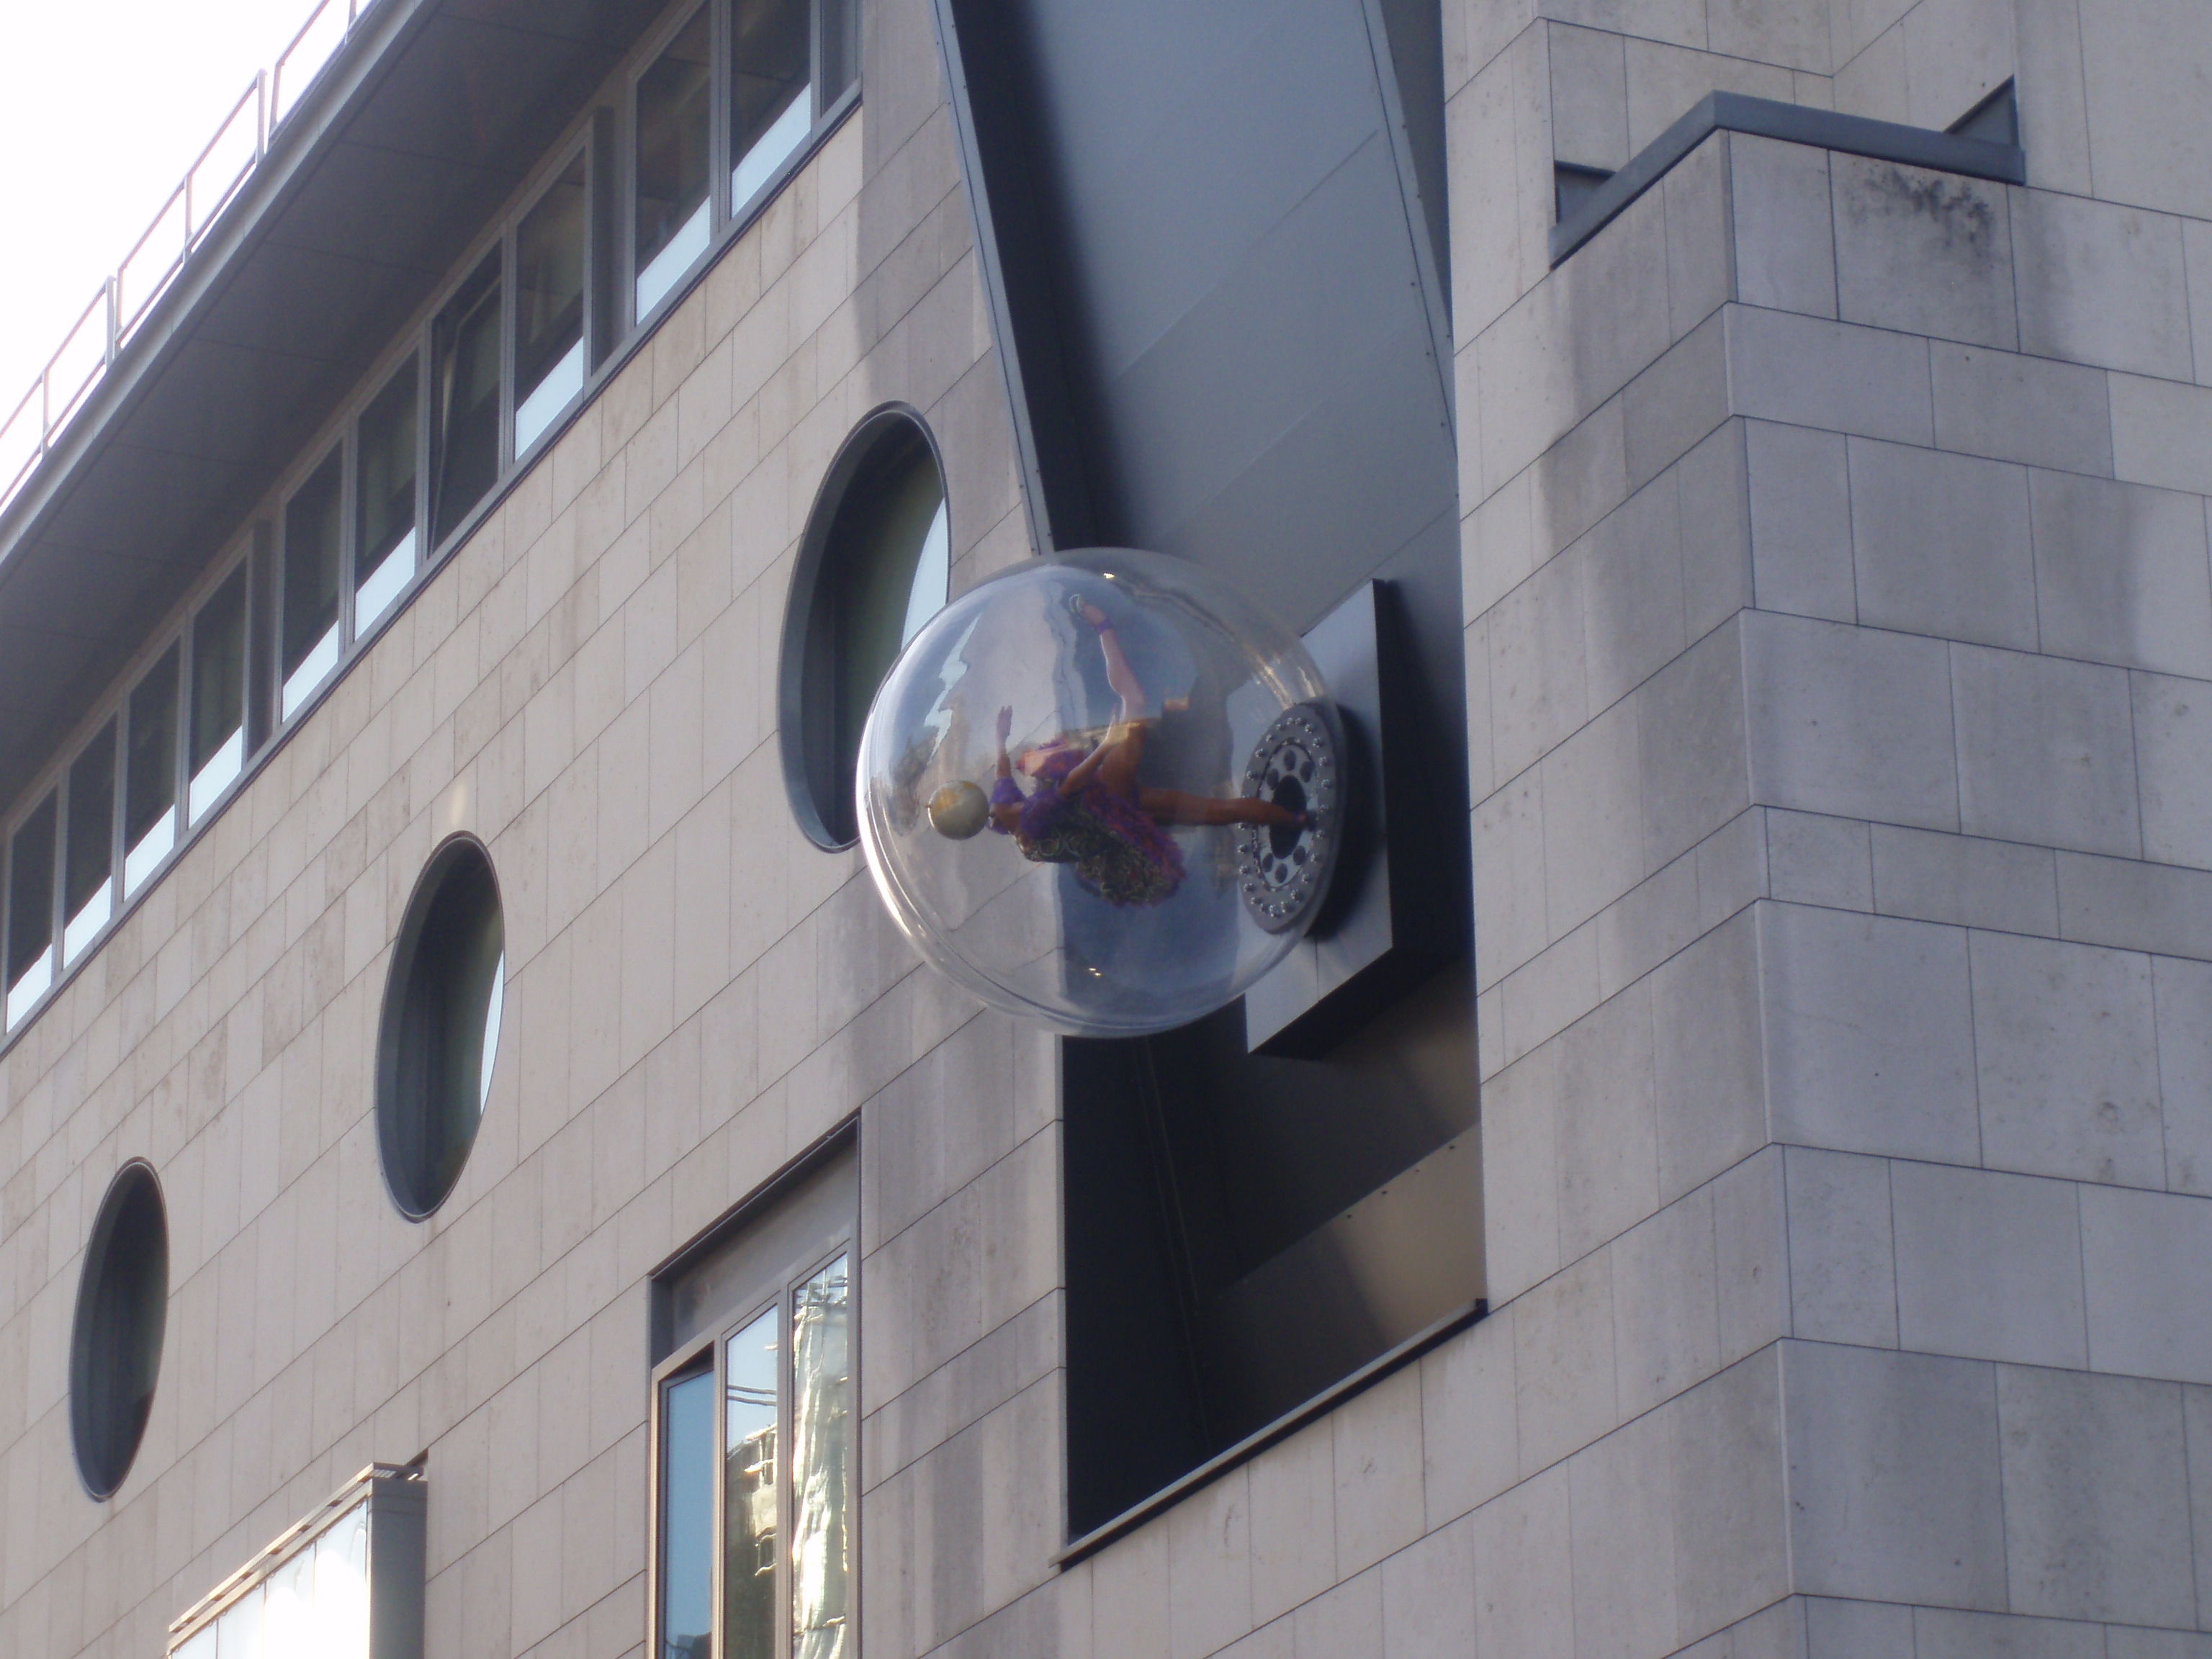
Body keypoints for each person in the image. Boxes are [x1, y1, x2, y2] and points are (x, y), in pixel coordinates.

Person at [961, 596, 1310, 907]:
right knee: (1135, 703)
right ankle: (1103, 626)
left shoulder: (1008, 808)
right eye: (995, 813)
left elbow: (1003, 772)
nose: (997, 808)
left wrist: (1000, 736)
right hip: (1106, 799)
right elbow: (1071, 786)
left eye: (994, 808)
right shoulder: (1031, 820)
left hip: (1119, 812)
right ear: (997, 820)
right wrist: (1107, 744)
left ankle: (1293, 819)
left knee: (1216, 811)